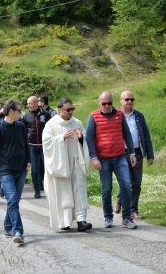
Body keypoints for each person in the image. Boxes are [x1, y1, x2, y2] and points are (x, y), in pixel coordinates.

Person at [85, 91, 138, 229]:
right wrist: (94, 157)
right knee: (106, 189)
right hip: (103, 159)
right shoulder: (93, 116)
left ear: (113, 102)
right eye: (104, 103)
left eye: (109, 103)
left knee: (126, 186)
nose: (107, 106)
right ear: (99, 103)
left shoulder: (119, 115)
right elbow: (89, 138)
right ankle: (108, 217)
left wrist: (132, 153)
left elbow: (127, 134)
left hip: (120, 157)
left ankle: (126, 218)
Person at [42, 98, 92, 232]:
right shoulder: (51, 125)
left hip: (76, 163)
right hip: (60, 165)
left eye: (72, 109)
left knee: (78, 191)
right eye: (68, 109)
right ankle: (65, 221)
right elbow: (46, 144)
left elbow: (84, 142)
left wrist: (81, 138)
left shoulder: (77, 123)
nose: (71, 112)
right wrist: (62, 138)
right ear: (60, 109)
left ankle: (82, 221)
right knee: (64, 193)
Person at [0, 99, 31, 244]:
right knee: (12, 200)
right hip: (5, 171)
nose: (21, 112)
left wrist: (29, 160)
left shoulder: (20, 126)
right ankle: (17, 230)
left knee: (14, 201)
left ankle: (7, 226)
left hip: (21, 169)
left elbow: (26, 144)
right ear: (11, 111)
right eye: (19, 110)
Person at [114, 91, 154, 220]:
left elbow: (146, 135)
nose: (129, 102)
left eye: (132, 99)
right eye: (127, 99)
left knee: (136, 182)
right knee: (124, 180)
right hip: (121, 152)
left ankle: (133, 209)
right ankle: (119, 200)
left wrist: (150, 154)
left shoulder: (138, 116)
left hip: (137, 152)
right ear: (121, 100)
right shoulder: (116, 115)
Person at [21, 96, 51, 198]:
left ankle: (48, 188)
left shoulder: (46, 114)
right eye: (27, 104)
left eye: (30, 103)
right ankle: (37, 189)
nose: (28, 105)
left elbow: (50, 127)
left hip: (44, 145)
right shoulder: (26, 116)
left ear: (36, 103)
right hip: (32, 146)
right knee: (34, 169)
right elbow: (23, 130)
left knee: (47, 167)